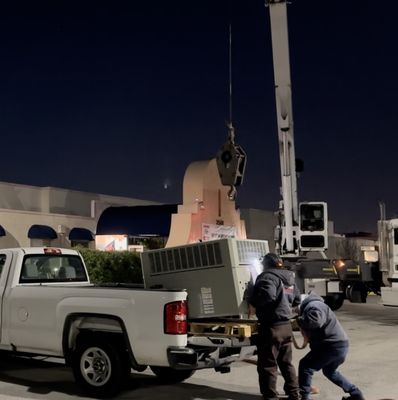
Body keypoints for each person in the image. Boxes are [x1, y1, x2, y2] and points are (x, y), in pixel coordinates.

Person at [249, 253, 301, 400]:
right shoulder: (289, 278)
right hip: (286, 326)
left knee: (268, 365)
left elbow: (268, 295)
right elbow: (296, 299)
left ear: (266, 264)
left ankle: (270, 397)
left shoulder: (267, 277)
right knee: (286, 364)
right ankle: (294, 394)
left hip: (271, 327)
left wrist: (252, 299)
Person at [297, 292, 365, 400]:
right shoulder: (318, 305)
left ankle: (305, 396)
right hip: (340, 346)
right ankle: (355, 393)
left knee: (306, 366)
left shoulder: (314, 306)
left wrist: (299, 320)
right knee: (330, 371)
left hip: (330, 346)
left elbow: (315, 322)